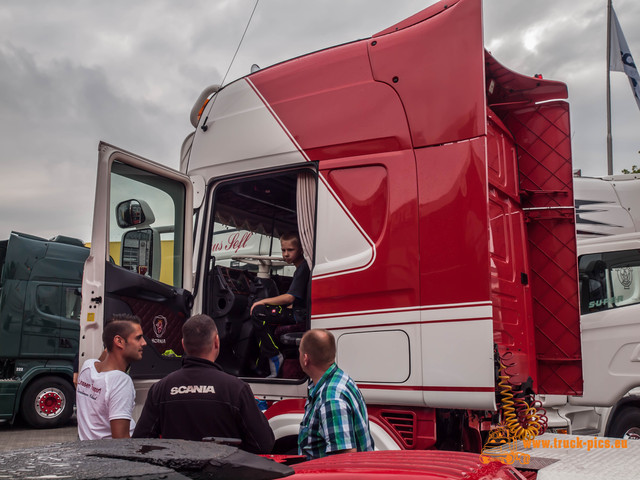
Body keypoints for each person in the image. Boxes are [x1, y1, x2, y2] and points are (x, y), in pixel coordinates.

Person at [132, 314, 275, 454]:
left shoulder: (160, 389)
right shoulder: (236, 389)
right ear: (216, 342)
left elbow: (140, 443)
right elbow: (263, 444)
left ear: (183, 344)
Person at [297, 329, 374, 459]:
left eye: (300, 351)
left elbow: (345, 459)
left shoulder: (331, 399)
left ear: (306, 359)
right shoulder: (340, 378)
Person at [76, 314, 146, 440]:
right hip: (109, 456)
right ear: (119, 341)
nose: (144, 343)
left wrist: (111, 347)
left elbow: (103, 359)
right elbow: (120, 441)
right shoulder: (120, 381)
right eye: (138, 338)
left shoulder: (87, 367)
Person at [251, 232, 310, 377]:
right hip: (297, 313)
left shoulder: (303, 268)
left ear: (301, 250)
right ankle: (264, 362)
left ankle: (274, 356)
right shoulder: (301, 268)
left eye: (290, 250)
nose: (286, 254)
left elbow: (289, 298)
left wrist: (262, 301)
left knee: (258, 312)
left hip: (299, 316)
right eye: (283, 250)